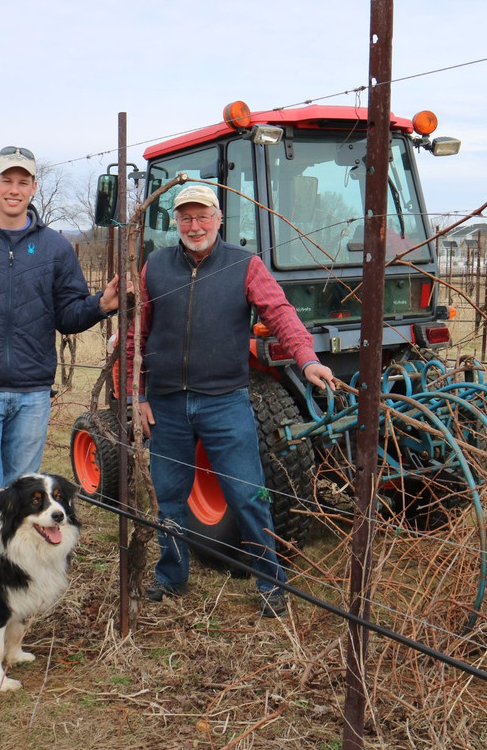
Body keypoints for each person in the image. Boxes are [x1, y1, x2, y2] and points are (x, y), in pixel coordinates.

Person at [0, 146, 118, 639]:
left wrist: (101, 304)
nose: (14, 189)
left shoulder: (54, 247)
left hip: (32, 393)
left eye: (23, 181)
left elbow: (68, 314)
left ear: (33, 188)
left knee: (25, 508)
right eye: (7, 180)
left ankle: (6, 605)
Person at [128, 183, 335, 618]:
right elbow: (136, 333)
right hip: (166, 404)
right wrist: (138, 394)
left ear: (219, 219)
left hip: (224, 403)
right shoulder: (155, 266)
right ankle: (171, 576)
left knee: (248, 495)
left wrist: (307, 358)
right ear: (175, 222)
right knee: (168, 497)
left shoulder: (245, 265)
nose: (194, 226)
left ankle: (271, 584)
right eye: (186, 217)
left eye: (203, 216)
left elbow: (280, 313)